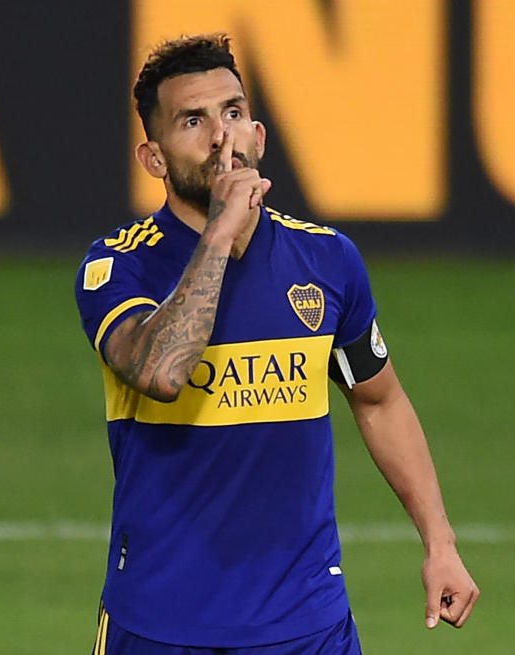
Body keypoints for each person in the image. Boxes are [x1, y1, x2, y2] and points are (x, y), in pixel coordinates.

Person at [75, 33, 479, 654]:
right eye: (193, 120)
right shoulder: (118, 266)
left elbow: (378, 400)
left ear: (259, 136)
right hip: (159, 622)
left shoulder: (327, 261)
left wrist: (440, 542)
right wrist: (220, 234)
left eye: (233, 113)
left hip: (305, 623)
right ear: (153, 159)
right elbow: (160, 372)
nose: (221, 137)